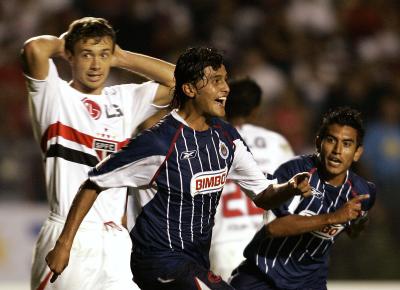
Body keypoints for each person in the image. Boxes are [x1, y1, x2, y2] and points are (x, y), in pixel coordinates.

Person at [45, 47, 311, 290]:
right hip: (158, 262)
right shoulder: (159, 142)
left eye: (225, 79)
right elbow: (94, 182)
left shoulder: (226, 137)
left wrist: (289, 188)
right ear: (190, 89)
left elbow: (263, 194)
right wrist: (64, 245)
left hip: (195, 262)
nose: (226, 88)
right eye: (216, 80)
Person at [21, 17, 175, 290]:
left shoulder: (126, 100)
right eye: (86, 55)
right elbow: (34, 49)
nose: (96, 65)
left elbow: (180, 81)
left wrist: (122, 57)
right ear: (70, 55)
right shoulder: (53, 96)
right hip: (68, 235)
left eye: (103, 55)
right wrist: (71, 42)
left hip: (115, 240)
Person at [229, 107, 376, 290]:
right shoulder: (296, 172)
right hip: (262, 276)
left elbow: (353, 229)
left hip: (310, 283)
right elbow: (274, 228)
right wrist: (334, 217)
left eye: (347, 144)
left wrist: (357, 224)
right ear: (318, 142)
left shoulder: (363, 192)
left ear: (357, 153)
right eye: (331, 140)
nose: (337, 150)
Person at [209, 78, 294, 281]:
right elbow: (294, 194)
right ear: (256, 110)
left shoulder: (209, 140)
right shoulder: (276, 143)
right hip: (266, 244)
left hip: (223, 242)